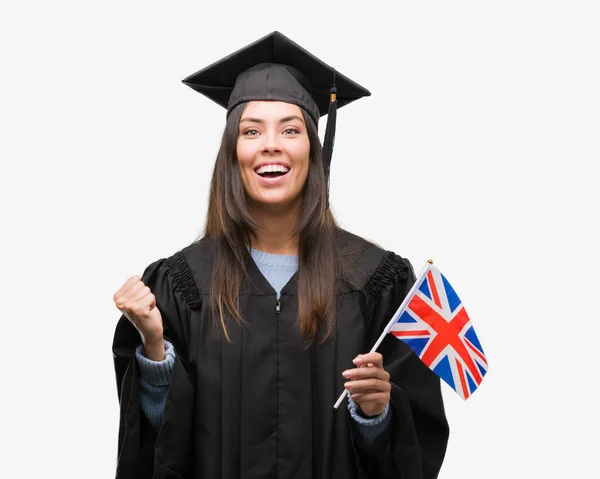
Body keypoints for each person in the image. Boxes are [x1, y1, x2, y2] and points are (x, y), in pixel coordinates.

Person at [112, 31, 449, 479]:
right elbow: (157, 448)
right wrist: (155, 349)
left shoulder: (376, 284)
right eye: (252, 131)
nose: (271, 144)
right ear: (233, 152)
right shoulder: (181, 285)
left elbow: (411, 456)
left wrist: (375, 415)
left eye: (290, 129)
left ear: (312, 148)